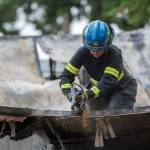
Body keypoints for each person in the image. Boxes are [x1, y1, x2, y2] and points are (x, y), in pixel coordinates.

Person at [59, 20, 137, 111]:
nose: (95, 52)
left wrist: (87, 95)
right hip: (99, 90)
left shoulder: (115, 54)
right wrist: (71, 95)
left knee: (116, 113)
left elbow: (107, 82)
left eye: (99, 49)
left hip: (121, 88)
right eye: (91, 49)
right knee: (90, 115)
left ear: (108, 43)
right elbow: (65, 77)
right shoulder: (82, 52)